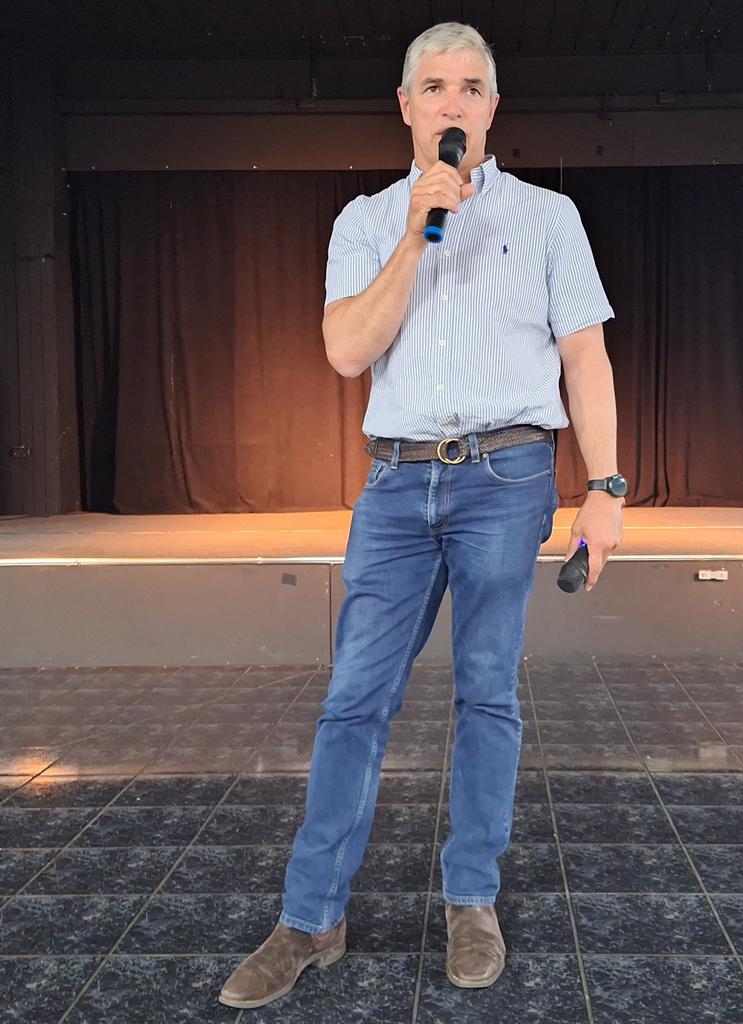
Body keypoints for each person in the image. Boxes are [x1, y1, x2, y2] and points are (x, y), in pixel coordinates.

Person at [219, 21, 625, 1010]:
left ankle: (472, 901)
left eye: (472, 87)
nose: (453, 102)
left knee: (488, 695)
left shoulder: (548, 219)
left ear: (492, 108)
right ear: (407, 106)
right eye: (434, 85)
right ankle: (312, 916)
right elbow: (348, 351)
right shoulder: (364, 222)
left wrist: (606, 489)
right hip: (397, 487)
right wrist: (415, 233)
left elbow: (586, 359)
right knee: (353, 699)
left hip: (507, 477)